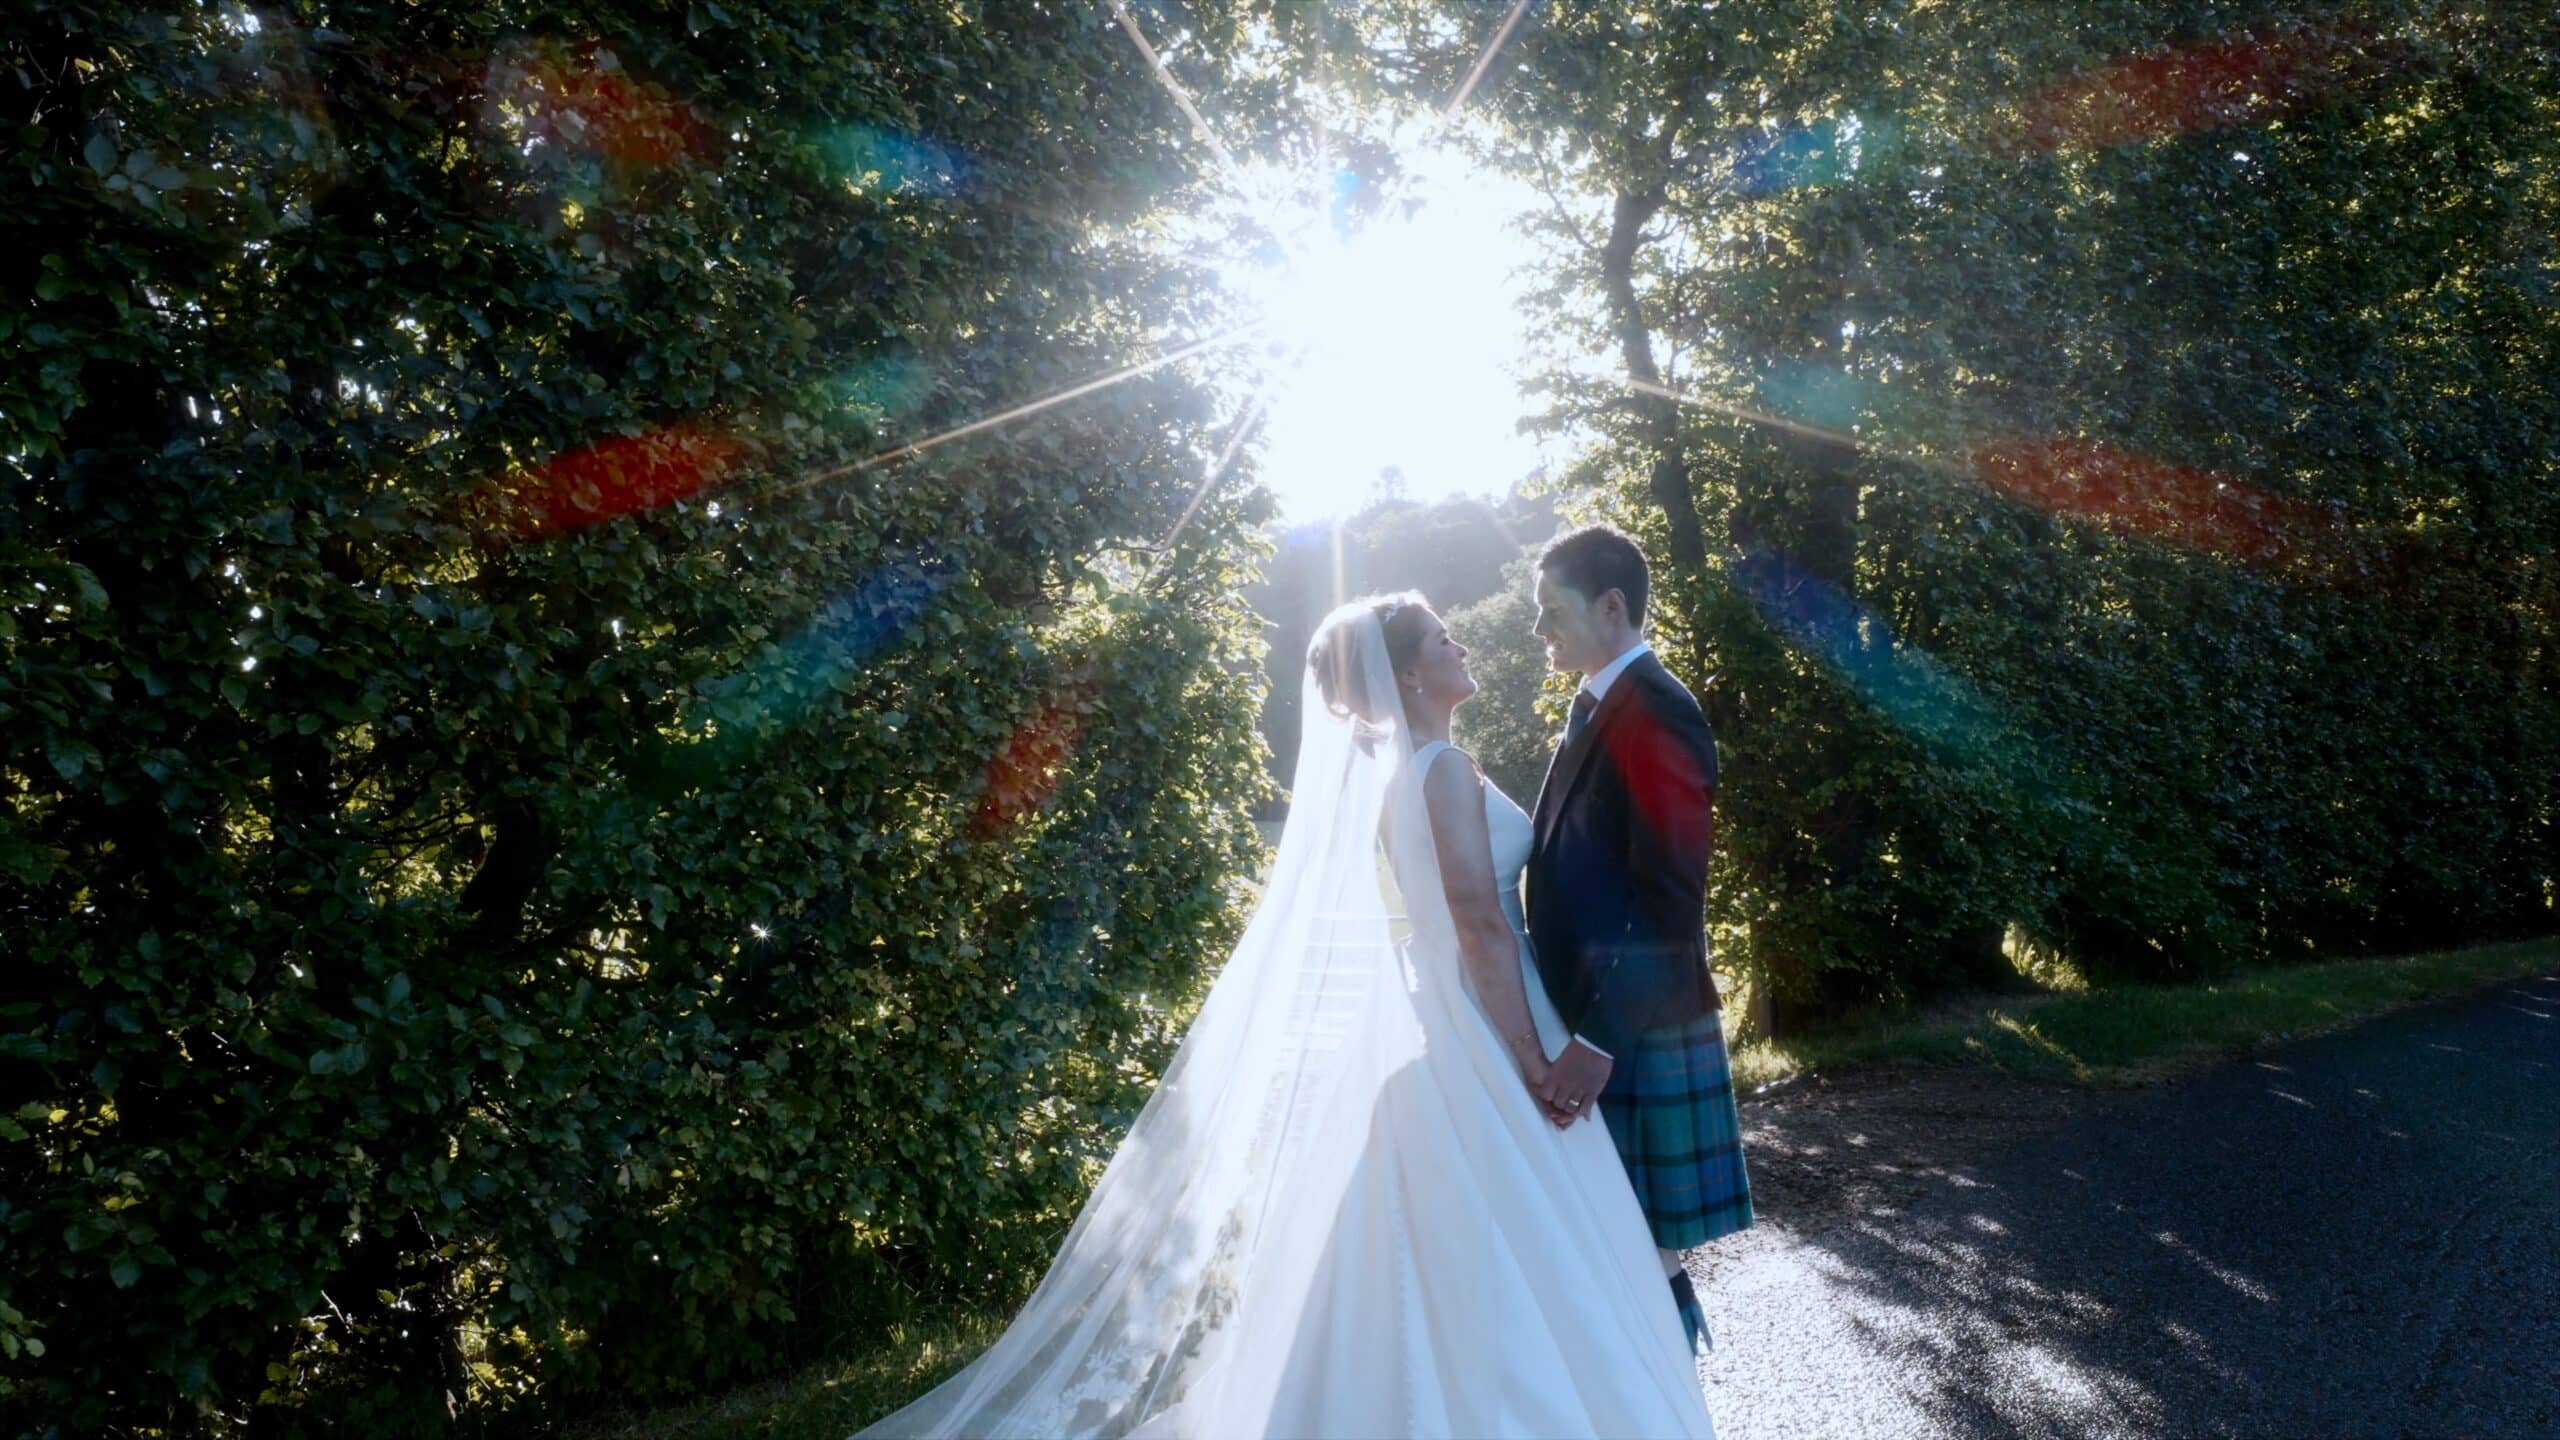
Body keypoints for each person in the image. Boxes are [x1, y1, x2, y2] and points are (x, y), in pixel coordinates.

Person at [857, 590, 1714, 1439]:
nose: (1466, 649)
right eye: (1447, 640)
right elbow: (1478, 923)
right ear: (1410, 675)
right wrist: (1531, 1059)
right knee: (1530, 1215)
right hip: (1491, 1012)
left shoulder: (1416, 775)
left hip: (1451, 1007)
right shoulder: (1441, 772)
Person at [1524, 524, 1754, 1355]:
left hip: (1633, 1024)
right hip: (1603, 1016)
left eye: (1551, 610)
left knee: (1638, 1254)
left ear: (1612, 607)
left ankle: (1669, 1400)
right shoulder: (1601, 704)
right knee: (1616, 1250)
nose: (1538, 629)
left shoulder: (1657, 711)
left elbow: (1666, 900)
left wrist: (1596, 1040)